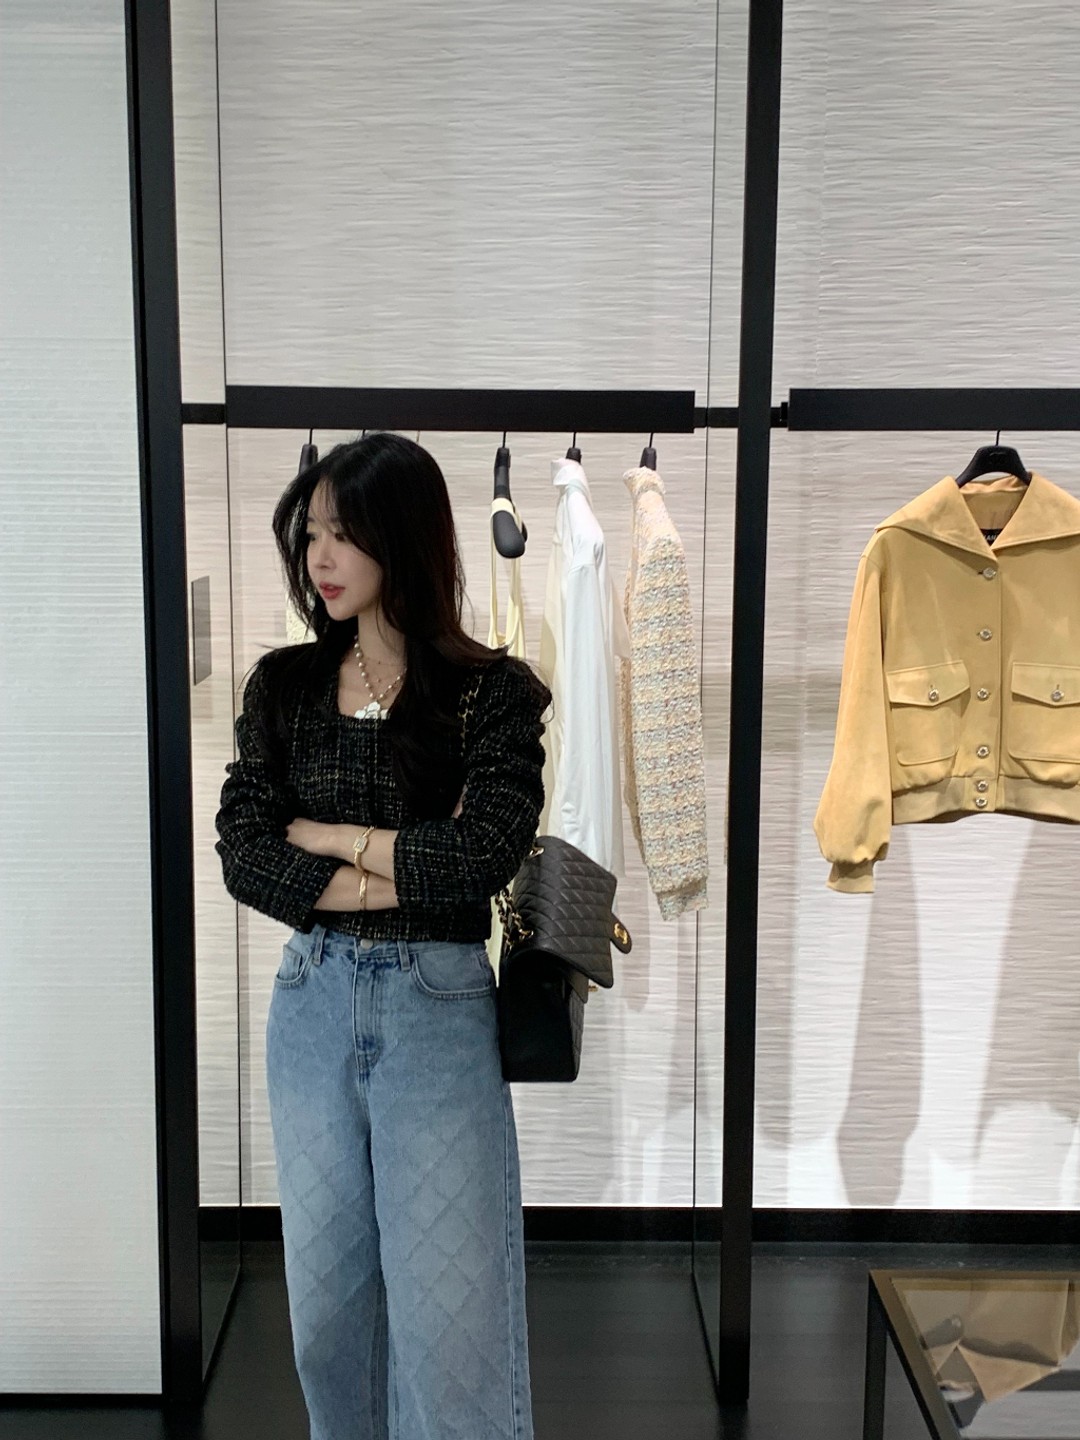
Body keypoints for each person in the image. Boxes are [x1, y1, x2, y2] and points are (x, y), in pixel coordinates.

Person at [214, 431, 551, 1440]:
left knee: (452, 1325)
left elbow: (479, 858)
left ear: (402, 539)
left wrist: (326, 838)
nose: (320, 558)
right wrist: (392, 867)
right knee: (327, 1318)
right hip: (311, 1004)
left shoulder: (490, 694)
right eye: (311, 534)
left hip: (436, 1008)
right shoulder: (282, 687)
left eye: (343, 534)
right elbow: (245, 852)